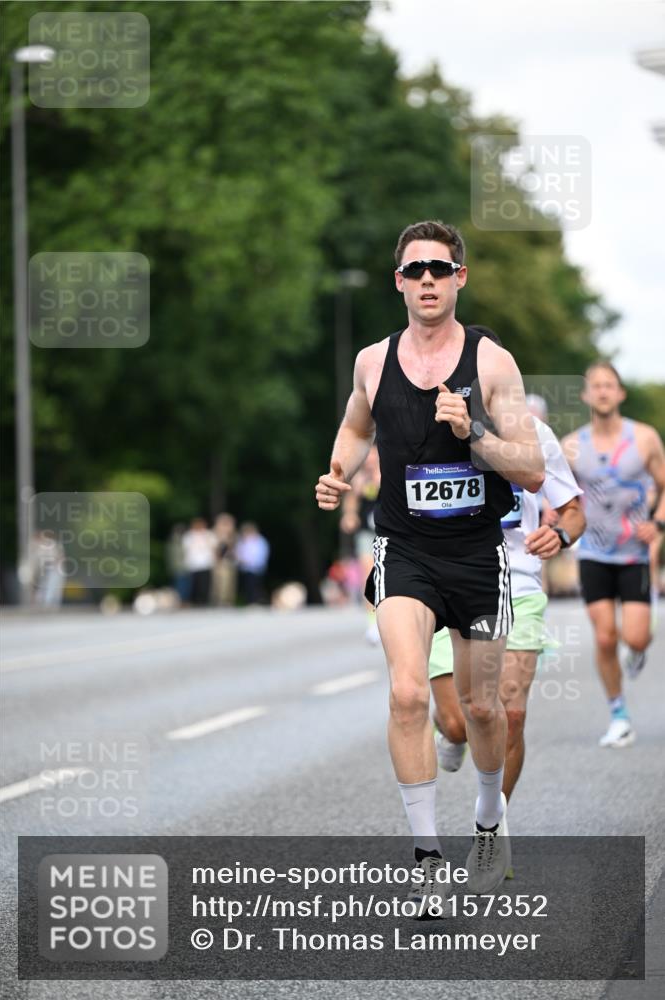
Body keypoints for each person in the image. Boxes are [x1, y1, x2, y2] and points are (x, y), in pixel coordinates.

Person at [315, 220, 544, 905]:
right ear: (398, 282)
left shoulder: (492, 362)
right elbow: (357, 425)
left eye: (438, 270)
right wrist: (337, 472)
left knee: (480, 707)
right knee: (409, 693)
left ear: (458, 278)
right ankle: (424, 859)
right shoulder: (371, 361)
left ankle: (485, 819)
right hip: (403, 548)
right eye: (414, 270)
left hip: (477, 554)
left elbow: (530, 469)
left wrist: (470, 431)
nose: (426, 281)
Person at [428, 383, 585, 843]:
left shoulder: (534, 434)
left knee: (510, 713)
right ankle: (452, 736)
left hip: (518, 582)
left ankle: (490, 827)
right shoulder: (429, 431)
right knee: (460, 719)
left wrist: (562, 537)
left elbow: (573, 511)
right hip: (448, 584)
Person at [562, 362, 665, 748]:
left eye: (610, 385)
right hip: (592, 552)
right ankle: (619, 713)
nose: (603, 392)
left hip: (635, 553)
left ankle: (636, 652)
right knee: (605, 638)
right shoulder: (570, 445)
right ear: (586, 395)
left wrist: (658, 524)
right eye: (596, 386)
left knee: (636, 638)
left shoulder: (644, 438)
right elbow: (559, 495)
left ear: (620, 393)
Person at [340, 445, 382, 644]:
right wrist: (349, 516)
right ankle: (372, 623)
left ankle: (390, 620)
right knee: (369, 575)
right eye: (367, 458)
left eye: (373, 458)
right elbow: (351, 501)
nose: (369, 461)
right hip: (367, 533)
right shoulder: (360, 479)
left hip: (388, 533)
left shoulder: (389, 472)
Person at [181, 518, 217, 607]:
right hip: (193, 564)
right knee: (194, 584)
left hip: (206, 563)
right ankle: (194, 600)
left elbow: (214, 547)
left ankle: (204, 600)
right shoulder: (189, 536)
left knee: (205, 584)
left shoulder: (209, 534)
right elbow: (186, 549)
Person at [236, 522, 270, 605]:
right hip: (246, 568)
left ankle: (257, 600)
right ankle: (250, 601)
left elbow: (263, 553)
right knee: (248, 586)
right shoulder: (242, 541)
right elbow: (238, 553)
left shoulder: (261, 541)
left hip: (257, 567)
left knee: (256, 585)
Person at [212, 513, 238, 607]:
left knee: (230, 582)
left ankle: (228, 600)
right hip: (219, 562)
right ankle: (219, 600)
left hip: (229, 561)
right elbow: (215, 549)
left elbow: (233, 548)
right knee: (219, 582)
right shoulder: (215, 534)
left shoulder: (233, 535)